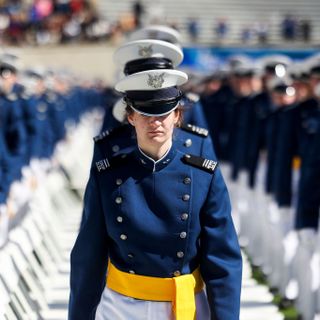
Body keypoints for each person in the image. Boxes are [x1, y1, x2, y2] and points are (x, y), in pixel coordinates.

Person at [68, 69, 242, 319]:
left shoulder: (204, 175)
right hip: (121, 307)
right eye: (145, 112)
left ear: (177, 116)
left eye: (163, 112)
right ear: (130, 117)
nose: (155, 122)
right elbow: (88, 255)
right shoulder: (106, 175)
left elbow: (223, 258)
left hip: (184, 306)